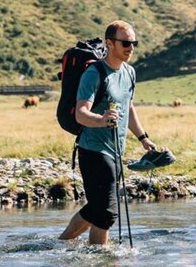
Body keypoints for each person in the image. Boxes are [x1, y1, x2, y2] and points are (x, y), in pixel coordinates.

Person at [59, 20, 166, 245]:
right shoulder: (94, 74)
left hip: (117, 150)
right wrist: (101, 120)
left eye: (134, 43)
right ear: (109, 43)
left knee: (98, 208)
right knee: (106, 213)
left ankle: (61, 243)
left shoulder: (129, 72)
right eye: (125, 43)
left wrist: (143, 138)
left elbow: (128, 107)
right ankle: (102, 257)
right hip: (93, 150)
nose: (131, 48)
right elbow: (81, 114)